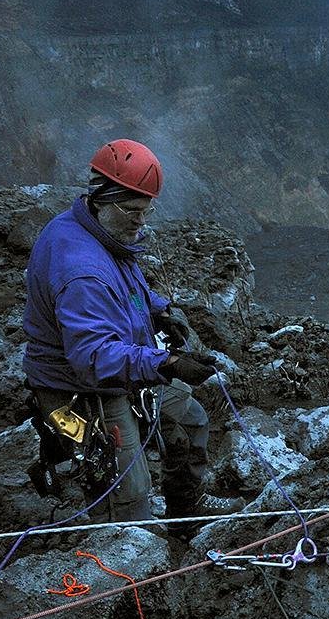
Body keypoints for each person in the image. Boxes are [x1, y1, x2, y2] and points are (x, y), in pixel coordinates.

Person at [21, 138, 230, 523]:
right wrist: (167, 363)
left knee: (189, 418)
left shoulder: (97, 230)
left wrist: (157, 310)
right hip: (86, 387)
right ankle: (133, 561)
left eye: (146, 210)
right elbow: (93, 358)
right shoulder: (80, 270)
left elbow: (124, 283)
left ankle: (188, 511)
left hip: (125, 366)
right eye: (133, 211)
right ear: (103, 199)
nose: (141, 220)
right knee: (130, 492)